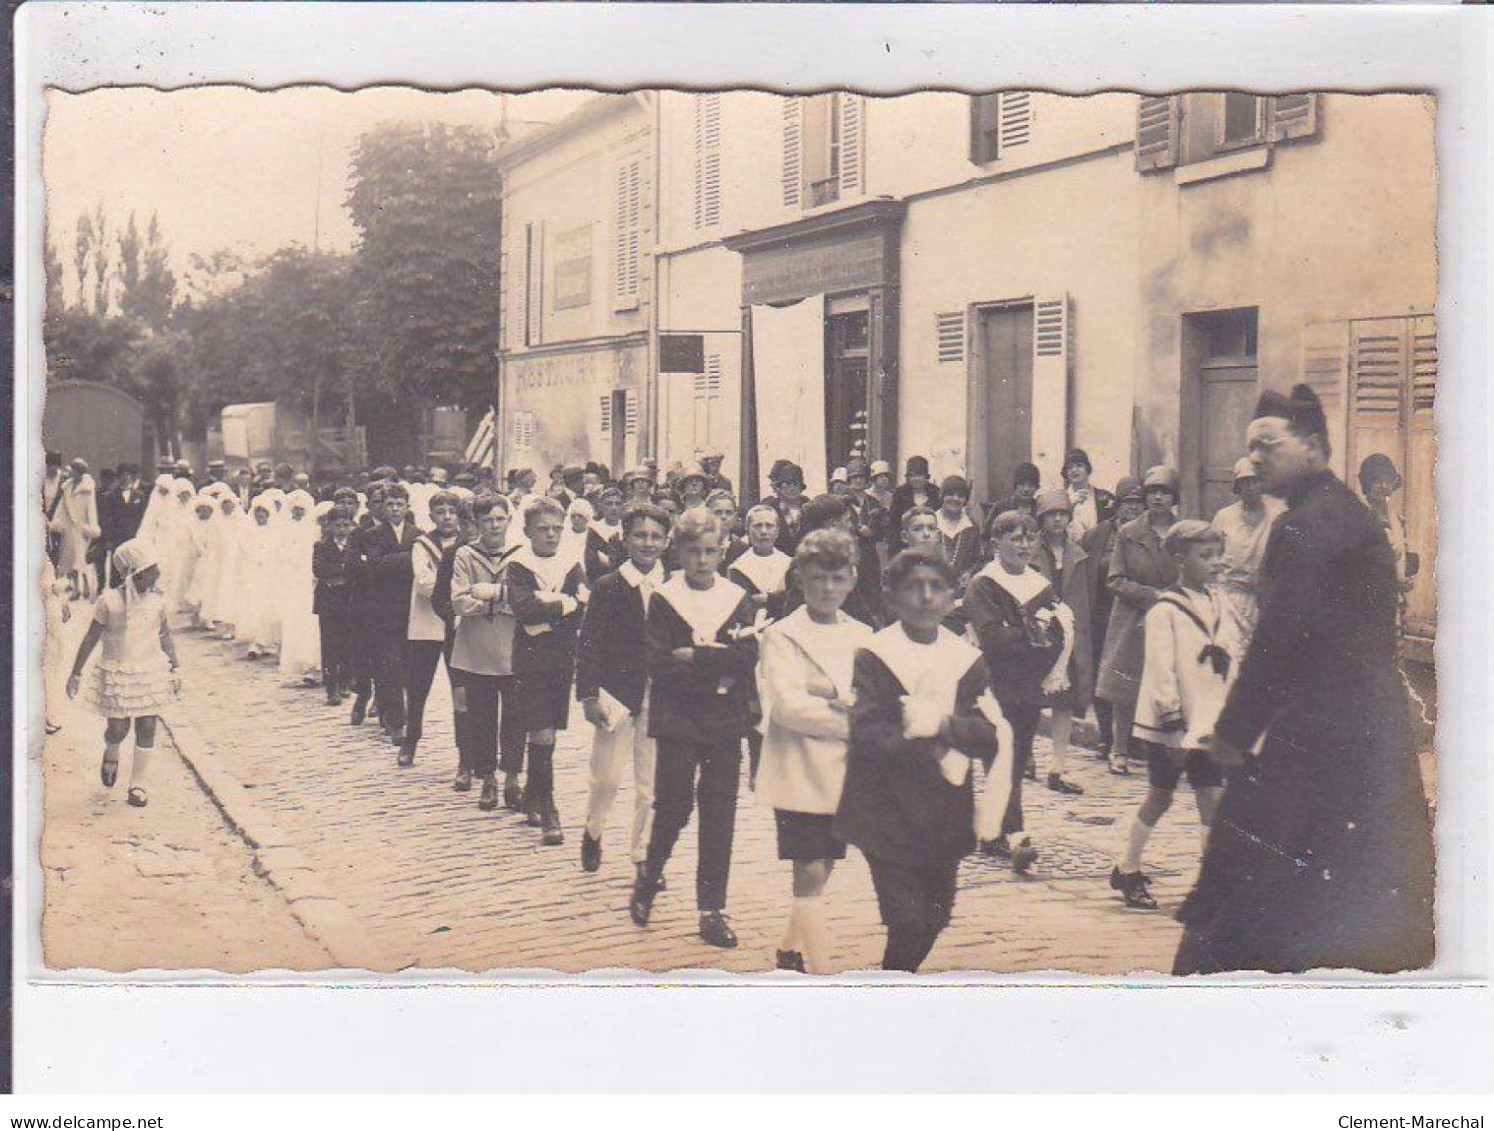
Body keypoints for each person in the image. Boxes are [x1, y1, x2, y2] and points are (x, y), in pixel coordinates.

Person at [1173, 385, 1434, 975]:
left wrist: (1229, 739)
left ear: (1314, 446)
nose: (1256, 458)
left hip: (1318, 734)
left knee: (1250, 884)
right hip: (1373, 733)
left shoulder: (1304, 528)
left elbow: (1277, 648)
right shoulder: (1346, 514)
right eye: (1250, 448)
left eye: (1270, 444)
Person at [834, 547, 1000, 973]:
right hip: (885, 809)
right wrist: (919, 740)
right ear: (892, 597)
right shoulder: (875, 655)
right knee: (908, 920)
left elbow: (988, 733)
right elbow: (865, 731)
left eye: (937, 588)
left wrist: (942, 725)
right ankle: (889, 994)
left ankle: (890, 985)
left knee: (935, 919)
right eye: (913, 588)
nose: (926, 597)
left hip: (944, 809)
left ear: (951, 598)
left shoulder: (966, 659)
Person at [630, 507, 759, 949]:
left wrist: (697, 656)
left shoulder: (735, 597)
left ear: (722, 552)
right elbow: (659, 663)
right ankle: (650, 871)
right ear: (678, 552)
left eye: (710, 552)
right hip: (678, 718)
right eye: (692, 552)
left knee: (719, 811)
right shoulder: (665, 599)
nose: (702, 561)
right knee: (674, 804)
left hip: (724, 719)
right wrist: (714, 665)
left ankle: (711, 907)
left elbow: (746, 658)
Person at [757, 528, 874, 973]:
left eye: (837, 578)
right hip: (798, 767)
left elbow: (872, 694)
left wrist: (832, 696)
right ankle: (822, 968)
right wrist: (848, 717)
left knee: (826, 863)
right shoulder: (783, 635)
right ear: (801, 579)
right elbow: (789, 706)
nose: (827, 589)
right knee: (807, 867)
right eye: (817, 578)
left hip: (844, 770)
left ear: (852, 579)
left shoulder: (864, 635)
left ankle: (790, 945)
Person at [1110, 520, 1237, 911]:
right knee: (1160, 796)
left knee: (1211, 799)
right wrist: (1171, 723)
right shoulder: (1166, 609)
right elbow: (1161, 668)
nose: (1215, 563)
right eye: (1205, 556)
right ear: (1181, 559)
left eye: (1218, 555)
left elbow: (1233, 654)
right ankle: (1127, 868)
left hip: (1208, 719)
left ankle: (1212, 884)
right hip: (1173, 724)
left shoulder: (1222, 601)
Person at [965, 510, 1071, 873]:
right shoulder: (984, 584)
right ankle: (1016, 835)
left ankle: (992, 831)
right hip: (993, 682)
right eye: (1015, 538)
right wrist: (1030, 634)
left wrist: (1031, 637)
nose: (1024, 545)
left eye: (1030, 538)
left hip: (1028, 682)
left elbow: (1056, 636)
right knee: (1001, 757)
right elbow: (993, 638)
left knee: (1019, 755)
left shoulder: (1039, 583)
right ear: (997, 543)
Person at [576, 502, 670, 880]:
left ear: (666, 541)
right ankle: (593, 829)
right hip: (616, 692)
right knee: (608, 778)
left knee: (651, 786)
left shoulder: (674, 585)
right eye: (640, 535)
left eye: (656, 536)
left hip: (659, 696)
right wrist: (589, 695)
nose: (648, 543)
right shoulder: (609, 586)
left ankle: (643, 855)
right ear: (626, 539)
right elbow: (590, 643)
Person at [64, 538, 181, 809]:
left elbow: (165, 635)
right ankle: (112, 749)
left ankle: (137, 784)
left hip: (149, 670)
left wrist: (176, 666)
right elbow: (91, 636)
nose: (158, 574)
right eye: (152, 569)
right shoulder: (110, 602)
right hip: (118, 670)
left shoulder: (157, 601)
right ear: (135, 574)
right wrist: (76, 673)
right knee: (118, 728)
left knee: (147, 725)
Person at [505, 495, 588, 845]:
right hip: (530, 658)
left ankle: (531, 795)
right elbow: (523, 610)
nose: (551, 536)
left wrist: (551, 604)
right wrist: (564, 605)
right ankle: (549, 810)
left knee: (549, 731)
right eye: (543, 530)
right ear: (527, 531)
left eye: (557, 529)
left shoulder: (571, 562)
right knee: (542, 733)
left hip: (560, 657)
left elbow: (584, 604)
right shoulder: (519, 565)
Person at [1095, 465, 1179, 776]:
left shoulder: (1182, 533)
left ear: (1174, 498)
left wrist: (1175, 597)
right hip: (1133, 618)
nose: (1158, 498)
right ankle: (1120, 749)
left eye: (1165, 492)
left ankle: (1170, 751)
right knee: (1125, 686)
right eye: (1153, 492)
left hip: (1172, 617)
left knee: (1169, 683)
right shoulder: (1129, 534)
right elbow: (1115, 580)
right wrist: (1152, 595)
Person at [449, 495, 520, 809]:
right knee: (482, 718)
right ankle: (488, 778)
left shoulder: (520, 554)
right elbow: (459, 601)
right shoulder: (465, 555)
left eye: (500, 519)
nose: (494, 525)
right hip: (475, 651)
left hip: (515, 651)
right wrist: (502, 603)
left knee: (516, 719)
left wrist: (490, 599)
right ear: (477, 524)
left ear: (508, 521)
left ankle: (513, 779)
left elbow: (525, 598)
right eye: (487, 520)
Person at [1033, 488, 1092, 796]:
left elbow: (1085, 599)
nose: (1057, 520)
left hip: (1068, 635)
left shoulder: (1079, 556)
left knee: (1064, 702)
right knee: (1030, 697)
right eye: (1051, 515)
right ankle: (1026, 756)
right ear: (1041, 519)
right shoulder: (1029, 553)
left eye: (1062, 514)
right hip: (1038, 632)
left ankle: (1057, 767)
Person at [1080, 476, 1145, 758]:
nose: (1132, 509)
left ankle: (1131, 740)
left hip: (1132, 612)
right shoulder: (1097, 535)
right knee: (1102, 674)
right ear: (1116, 506)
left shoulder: (1145, 534)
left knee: (1131, 674)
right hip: (1101, 612)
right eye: (1127, 503)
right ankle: (1107, 737)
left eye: (1137, 504)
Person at [401, 490, 465, 767]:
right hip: (427, 624)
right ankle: (410, 741)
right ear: (432, 516)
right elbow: (425, 583)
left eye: (452, 511)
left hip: (459, 623)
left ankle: (467, 752)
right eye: (441, 512)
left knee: (462, 690)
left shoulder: (468, 543)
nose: (447, 517)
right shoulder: (422, 544)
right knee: (418, 687)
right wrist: (460, 590)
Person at [355, 482, 419, 746]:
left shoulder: (418, 534)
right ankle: (397, 723)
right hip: (383, 610)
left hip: (411, 609)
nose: (394, 509)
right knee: (389, 666)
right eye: (390, 504)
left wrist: (396, 558)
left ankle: (394, 714)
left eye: (399, 505)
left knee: (407, 668)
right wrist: (408, 557)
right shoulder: (373, 534)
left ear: (407, 508)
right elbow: (376, 565)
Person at [1212, 457, 1286, 650]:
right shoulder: (1224, 517)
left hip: (1264, 599)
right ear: (1237, 487)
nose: (1251, 487)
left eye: (1255, 481)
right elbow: (1212, 557)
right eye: (1245, 482)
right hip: (1229, 596)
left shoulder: (1278, 517)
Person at [1357, 453, 1419, 628]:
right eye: (1377, 481)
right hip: (1366, 605)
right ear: (1366, 486)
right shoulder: (1359, 519)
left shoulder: (1399, 521)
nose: (1384, 486)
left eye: (1388, 480)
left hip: (1393, 603)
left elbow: (1404, 559)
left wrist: (1406, 576)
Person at [277, 490, 322, 685]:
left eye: (301, 510)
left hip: (311, 578)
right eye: (294, 510)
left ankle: (318, 664)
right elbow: (280, 550)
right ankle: (305, 663)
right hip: (295, 580)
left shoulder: (313, 529)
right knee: (299, 620)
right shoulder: (284, 528)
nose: (298, 513)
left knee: (314, 621)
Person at [728, 505, 793, 616]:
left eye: (769, 526)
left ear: (777, 531)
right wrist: (779, 598)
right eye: (758, 526)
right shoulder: (738, 568)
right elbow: (744, 609)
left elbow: (795, 603)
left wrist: (768, 599)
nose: (763, 531)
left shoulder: (790, 563)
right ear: (747, 530)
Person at [51, 458, 101, 600]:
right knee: (70, 559)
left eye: (72, 470)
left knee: (81, 559)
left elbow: (91, 509)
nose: (70, 473)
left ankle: (85, 587)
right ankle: (75, 588)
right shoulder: (67, 487)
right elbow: (62, 507)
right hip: (68, 528)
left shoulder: (87, 489)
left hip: (81, 529)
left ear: (78, 472)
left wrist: (91, 527)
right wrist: (57, 521)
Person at [934, 476, 983, 588]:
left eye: (960, 496)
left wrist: (970, 573)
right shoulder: (931, 522)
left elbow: (979, 559)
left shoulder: (971, 526)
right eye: (950, 494)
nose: (955, 499)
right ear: (942, 496)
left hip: (962, 589)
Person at [1061, 448, 1115, 542]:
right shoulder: (1060, 498)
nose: (1074, 470)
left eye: (1079, 466)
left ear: (1087, 469)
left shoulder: (1104, 498)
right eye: (1070, 467)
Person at [986, 462, 1041, 541]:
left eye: (1031, 485)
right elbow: (986, 537)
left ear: (1036, 487)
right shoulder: (1001, 507)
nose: (1026, 489)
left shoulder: (1039, 509)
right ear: (1015, 485)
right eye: (1022, 484)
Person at [765, 460, 809, 555]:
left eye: (796, 484)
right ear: (780, 487)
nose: (792, 488)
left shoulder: (809, 508)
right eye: (788, 484)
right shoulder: (770, 509)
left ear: (801, 488)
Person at [889, 455, 940, 531]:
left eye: (919, 475)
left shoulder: (935, 492)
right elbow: (894, 522)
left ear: (926, 476)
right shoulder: (899, 493)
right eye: (912, 476)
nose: (916, 479)